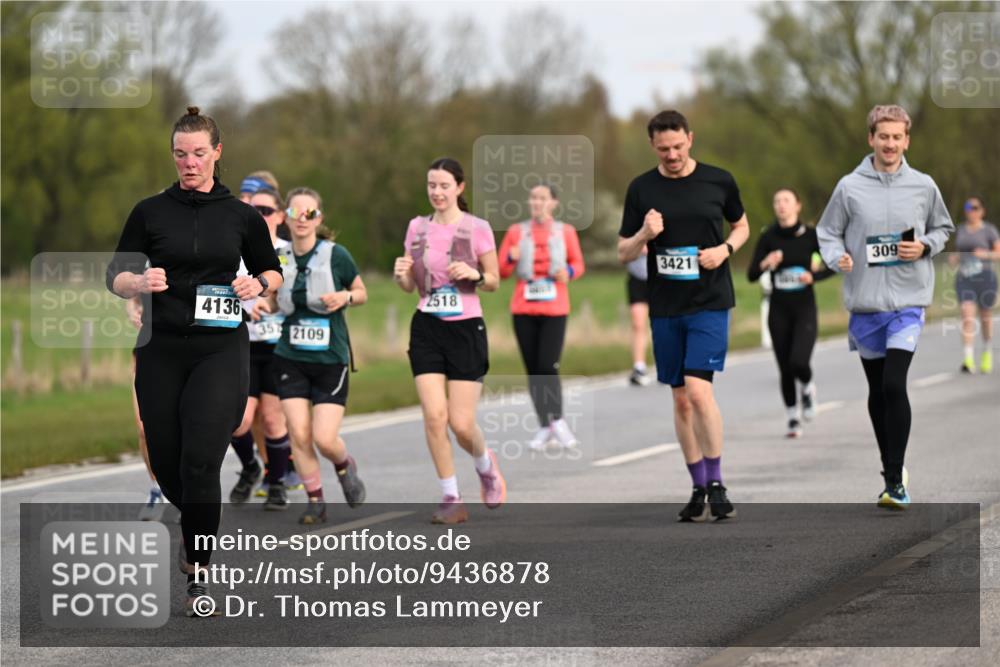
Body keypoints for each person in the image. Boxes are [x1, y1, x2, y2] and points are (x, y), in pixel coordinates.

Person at [106, 107, 283, 615]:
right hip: (160, 345)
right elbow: (115, 275)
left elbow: (273, 272)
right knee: (166, 459)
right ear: (173, 156)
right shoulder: (150, 212)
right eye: (181, 154)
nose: (190, 163)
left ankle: (198, 567)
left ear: (217, 153)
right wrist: (137, 283)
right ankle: (196, 521)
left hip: (220, 345)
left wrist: (257, 283)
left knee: (202, 457)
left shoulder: (243, 217)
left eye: (199, 153)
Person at [817, 104, 954, 510]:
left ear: (907, 140)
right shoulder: (848, 187)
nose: (890, 144)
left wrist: (926, 245)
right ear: (871, 139)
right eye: (883, 136)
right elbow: (827, 232)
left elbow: (944, 227)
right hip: (866, 304)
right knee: (877, 390)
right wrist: (836, 256)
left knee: (895, 383)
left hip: (908, 301)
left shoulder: (924, 185)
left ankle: (895, 479)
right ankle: (889, 469)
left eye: (897, 137)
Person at [617, 110, 749, 523]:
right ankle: (696, 486)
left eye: (678, 146)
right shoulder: (641, 188)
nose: (672, 155)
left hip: (709, 300)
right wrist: (644, 235)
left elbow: (742, 226)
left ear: (690, 139)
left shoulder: (719, 180)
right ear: (653, 147)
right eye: (663, 149)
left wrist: (724, 250)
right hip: (666, 306)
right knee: (680, 398)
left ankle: (717, 482)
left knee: (698, 391)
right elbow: (623, 251)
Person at [393, 158, 507, 524]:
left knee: (460, 423)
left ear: (459, 187)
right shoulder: (416, 227)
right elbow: (411, 287)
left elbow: (494, 281)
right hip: (426, 327)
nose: (437, 192)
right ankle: (451, 496)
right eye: (431, 185)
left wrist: (474, 273)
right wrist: (401, 276)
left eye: (444, 185)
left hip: (465, 329)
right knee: (433, 417)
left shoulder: (477, 228)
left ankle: (485, 465)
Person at [268, 186, 367, 525]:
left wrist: (345, 298)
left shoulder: (336, 255)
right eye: (296, 213)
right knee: (298, 432)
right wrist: (260, 307)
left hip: (330, 359)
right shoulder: (279, 258)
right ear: (287, 217)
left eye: (310, 213)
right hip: (290, 356)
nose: (302, 220)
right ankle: (315, 501)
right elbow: (273, 300)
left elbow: (361, 292)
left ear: (319, 218)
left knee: (324, 438)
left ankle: (344, 465)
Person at [498, 183, 586, 451]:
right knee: (534, 370)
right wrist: (511, 258)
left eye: (543, 199)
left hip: (554, 309)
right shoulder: (516, 232)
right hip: (523, 309)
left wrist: (568, 273)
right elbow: (500, 271)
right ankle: (544, 425)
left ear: (554, 203)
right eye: (533, 198)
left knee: (549, 365)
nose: (537, 203)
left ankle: (557, 420)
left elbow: (578, 264)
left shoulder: (566, 232)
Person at [747, 189, 834, 438]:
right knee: (784, 366)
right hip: (779, 308)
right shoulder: (768, 237)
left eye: (786, 201)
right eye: (777, 202)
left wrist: (813, 276)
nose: (781, 205)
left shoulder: (811, 236)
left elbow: (835, 264)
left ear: (798, 205)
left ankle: (807, 387)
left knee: (799, 361)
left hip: (804, 307)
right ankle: (792, 416)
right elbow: (752, 274)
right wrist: (766, 263)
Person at [227, 187, 293, 510]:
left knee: (272, 420)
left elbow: (298, 298)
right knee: (237, 422)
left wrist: (272, 302)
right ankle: (251, 467)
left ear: (280, 215)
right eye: (253, 210)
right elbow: (223, 295)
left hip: (280, 348)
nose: (259, 216)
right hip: (245, 346)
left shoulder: (289, 252)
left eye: (266, 210)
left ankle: (277, 481)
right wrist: (243, 308)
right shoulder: (235, 252)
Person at [127, 296, 164, 521]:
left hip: (187, 351)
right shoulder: (147, 260)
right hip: (147, 348)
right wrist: (132, 311)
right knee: (144, 429)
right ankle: (157, 488)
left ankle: (187, 492)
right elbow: (131, 295)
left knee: (184, 428)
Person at [953, 197, 999, 374]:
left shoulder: (989, 230)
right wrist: (955, 258)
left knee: (985, 316)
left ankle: (987, 351)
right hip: (965, 277)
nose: (971, 210)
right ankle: (968, 359)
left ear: (982, 211)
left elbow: (998, 253)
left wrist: (985, 254)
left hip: (985, 277)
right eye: (968, 207)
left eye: (975, 207)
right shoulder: (961, 230)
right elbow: (959, 251)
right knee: (967, 313)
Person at [625, 251, 653, 386]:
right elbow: (623, 252)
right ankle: (639, 367)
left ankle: (667, 363)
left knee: (663, 323)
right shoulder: (632, 229)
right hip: (637, 279)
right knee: (637, 324)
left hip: (661, 279)